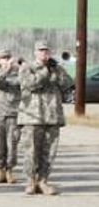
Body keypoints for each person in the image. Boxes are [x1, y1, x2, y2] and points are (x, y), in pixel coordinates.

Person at [17, 41, 74, 195]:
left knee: (49, 152)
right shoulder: (27, 68)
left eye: (47, 51)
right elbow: (30, 84)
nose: (44, 54)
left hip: (52, 116)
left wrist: (57, 69)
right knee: (31, 151)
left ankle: (43, 181)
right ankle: (30, 181)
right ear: (35, 52)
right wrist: (44, 71)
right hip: (32, 116)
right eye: (41, 51)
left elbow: (68, 84)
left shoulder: (56, 68)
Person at [0, 50, 21, 184]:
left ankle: (10, 170)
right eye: (3, 58)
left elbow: (27, 84)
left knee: (12, 143)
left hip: (14, 113)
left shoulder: (18, 74)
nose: (6, 60)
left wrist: (21, 68)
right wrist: (6, 70)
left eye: (8, 57)